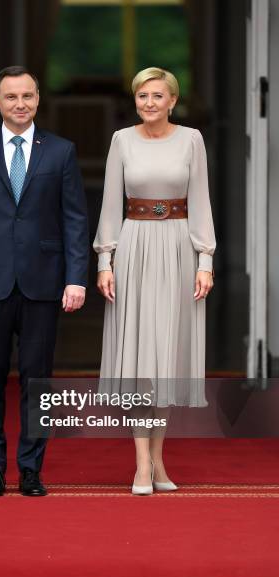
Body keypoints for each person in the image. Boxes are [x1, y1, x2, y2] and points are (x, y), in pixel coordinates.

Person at [0, 66, 89, 497]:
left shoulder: (60, 151)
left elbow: (75, 220)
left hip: (43, 282)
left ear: (38, 99)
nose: (20, 104)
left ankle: (30, 469)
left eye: (27, 96)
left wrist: (76, 277)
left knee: (37, 382)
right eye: (11, 97)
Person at [93, 67, 216, 495]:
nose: (149, 102)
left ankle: (159, 461)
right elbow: (111, 201)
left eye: (157, 95)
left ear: (172, 101)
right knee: (141, 358)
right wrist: (104, 261)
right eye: (142, 95)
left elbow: (200, 199)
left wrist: (205, 259)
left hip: (180, 248)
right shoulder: (121, 141)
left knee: (166, 358)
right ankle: (141, 465)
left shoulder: (192, 140)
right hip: (135, 248)